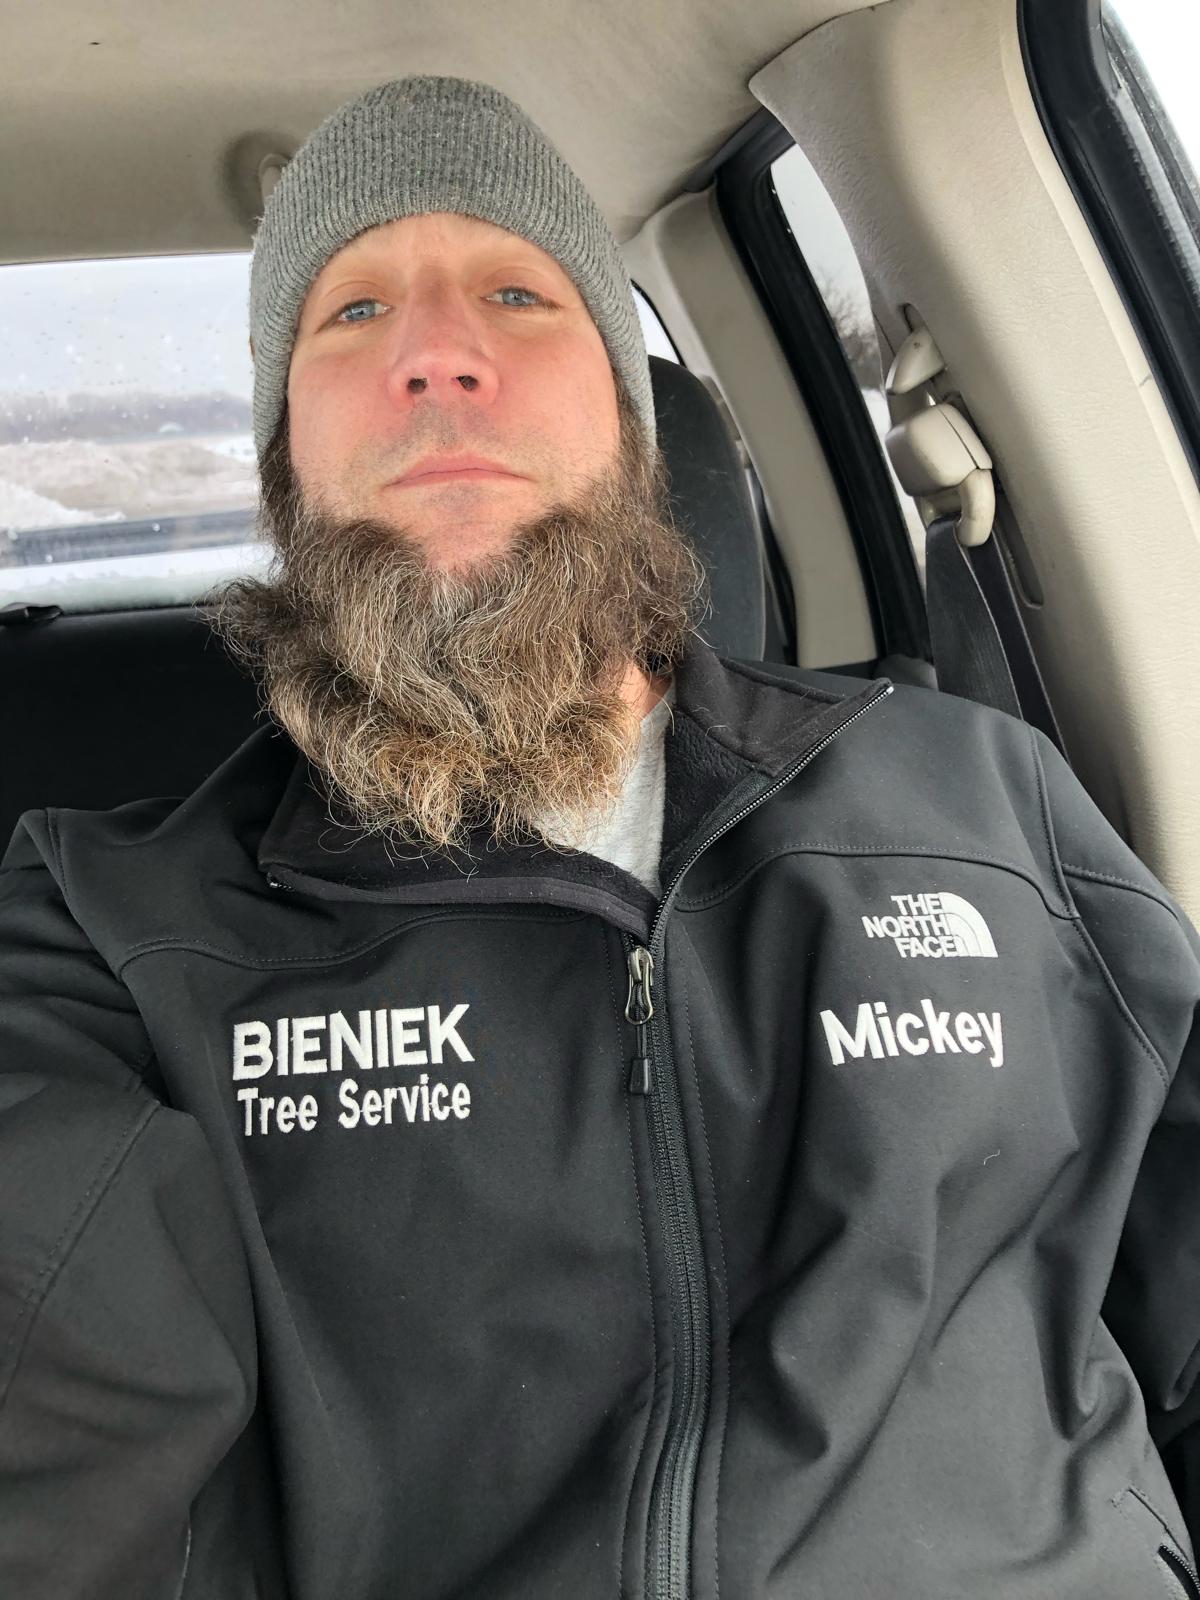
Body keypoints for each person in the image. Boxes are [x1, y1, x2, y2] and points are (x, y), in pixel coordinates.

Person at [2, 73, 1200, 1600]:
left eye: (517, 290)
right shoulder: (113, 926)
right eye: (351, 314)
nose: (439, 355)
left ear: (636, 426)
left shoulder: (978, 793)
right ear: (284, 448)